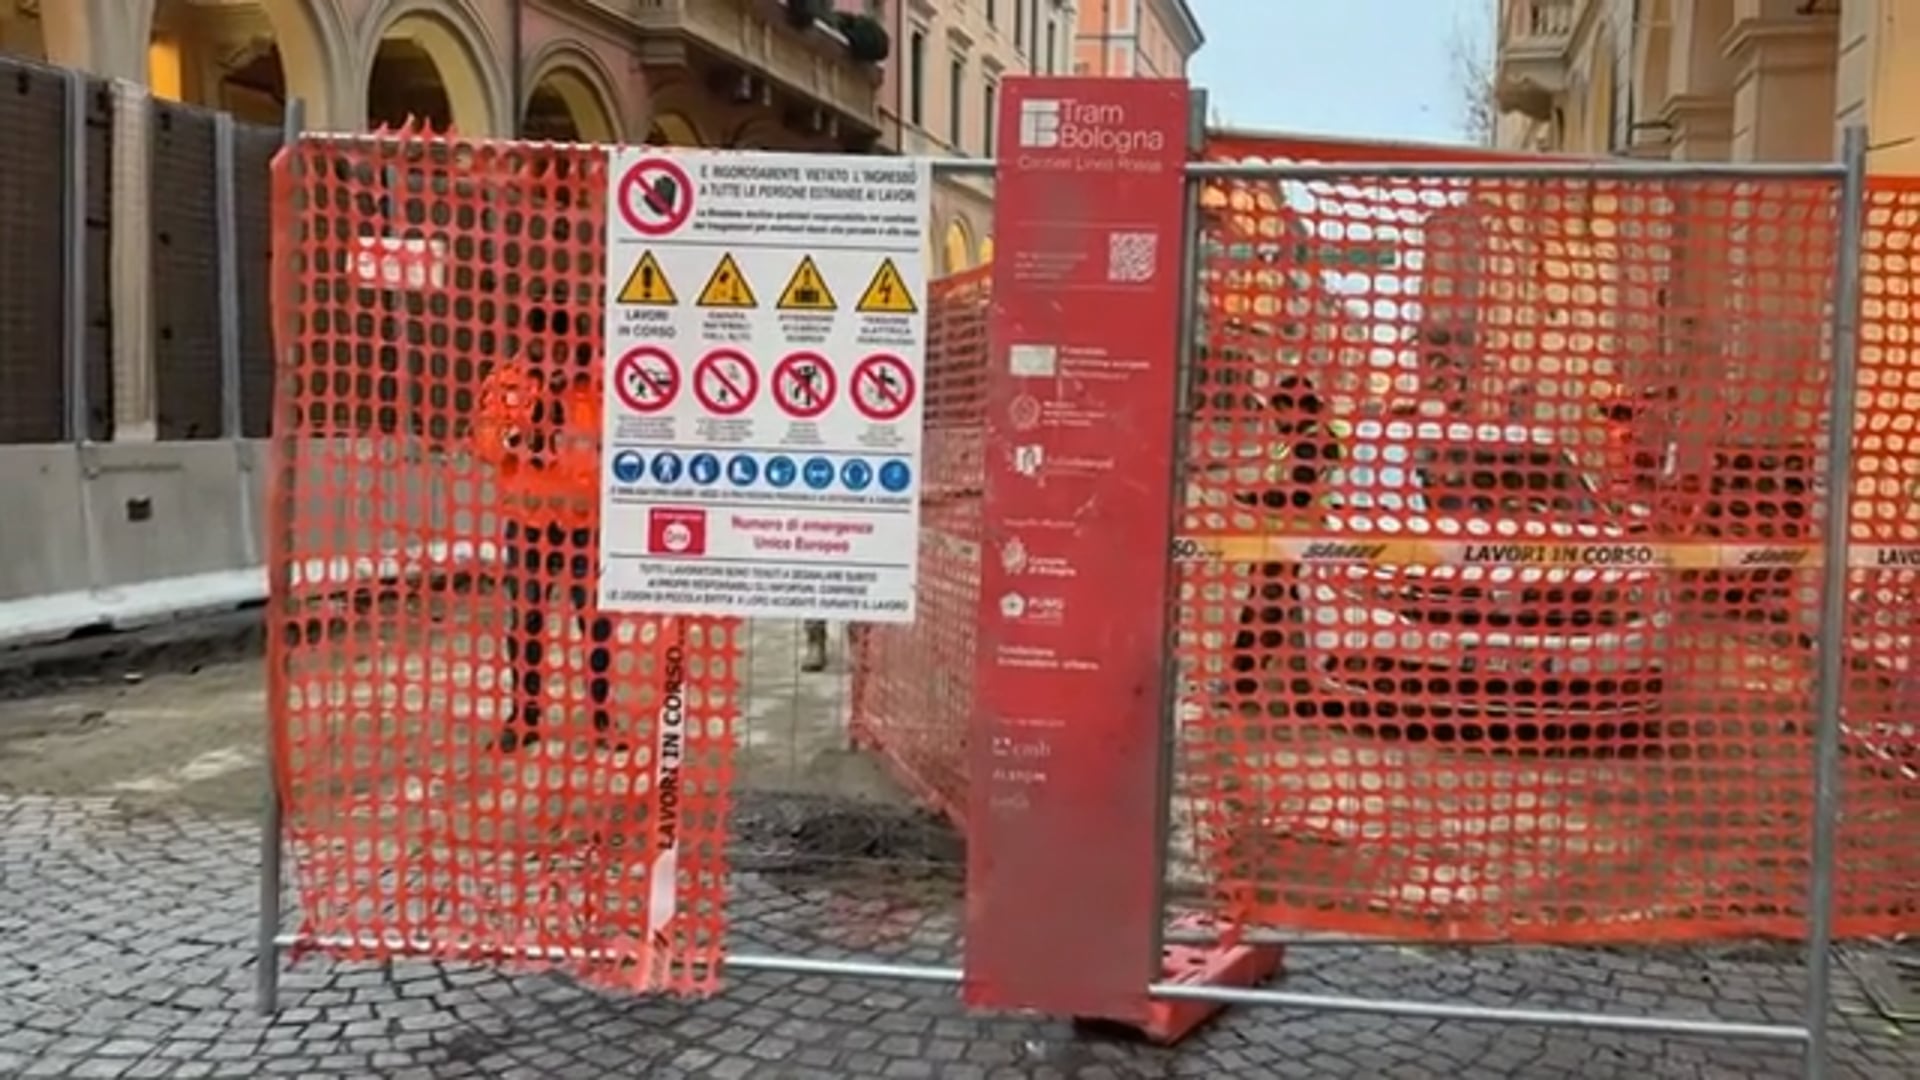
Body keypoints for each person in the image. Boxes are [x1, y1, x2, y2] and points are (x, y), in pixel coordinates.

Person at [473, 303, 616, 754]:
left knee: (595, 622)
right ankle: (524, 717)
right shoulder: (507, 383)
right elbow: (486, 446)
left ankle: (602, 718)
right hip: (528, 520)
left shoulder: (599, 384)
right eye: (540, 344)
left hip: (584, 522)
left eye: (559, 345)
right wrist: (518, 429)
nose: (550, 354)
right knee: (526, 620)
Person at [1225, 372, 1346, 711]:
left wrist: (1253, 498)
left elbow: (1298, 495)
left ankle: (1240, 685)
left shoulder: (1311, 443)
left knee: (1263, 613)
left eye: (1278, 411)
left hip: (1294, 544)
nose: (1275, 420)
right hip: (1286, 542)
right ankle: (1283, 689)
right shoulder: (1301, 439)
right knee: (1282, 616)